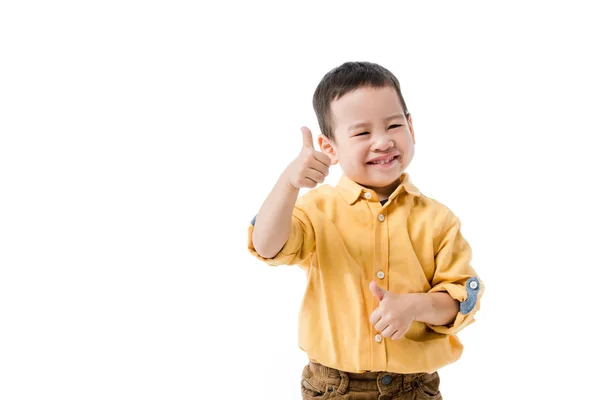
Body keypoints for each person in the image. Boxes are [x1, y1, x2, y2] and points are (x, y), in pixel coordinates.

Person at [247, 61, 484, 399]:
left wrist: (413, 306)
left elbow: (458, 299)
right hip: (332, 387)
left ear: (411, 127)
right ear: (330, 148)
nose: (383, 142)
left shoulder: (438, 220)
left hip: (413, 388)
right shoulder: (317, 209)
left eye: (393, 125)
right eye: (362, 133)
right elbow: (267, 245)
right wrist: (288, 183)